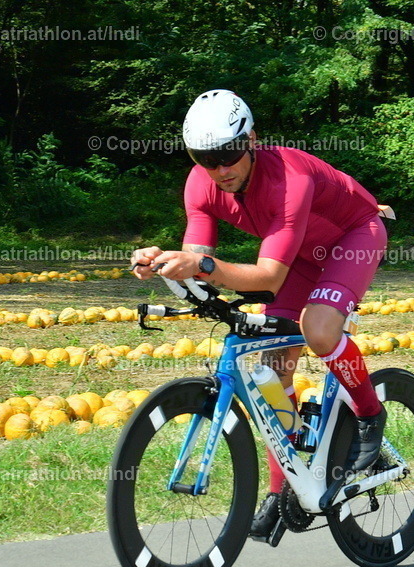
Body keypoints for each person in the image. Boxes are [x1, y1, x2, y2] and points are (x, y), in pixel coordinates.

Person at [130, 88, 389, 542]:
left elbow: (267, 275)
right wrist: (164, 263)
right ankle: (281, 493)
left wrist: (204, 266)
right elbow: (200, 262)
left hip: (354, 235)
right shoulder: (201, 184)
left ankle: (369, 414)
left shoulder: (288, 178)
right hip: (300, 257)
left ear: (251, 140)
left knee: (320, 329)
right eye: (205, 158)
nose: (220, 169)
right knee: (272, 372)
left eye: (229, 153)